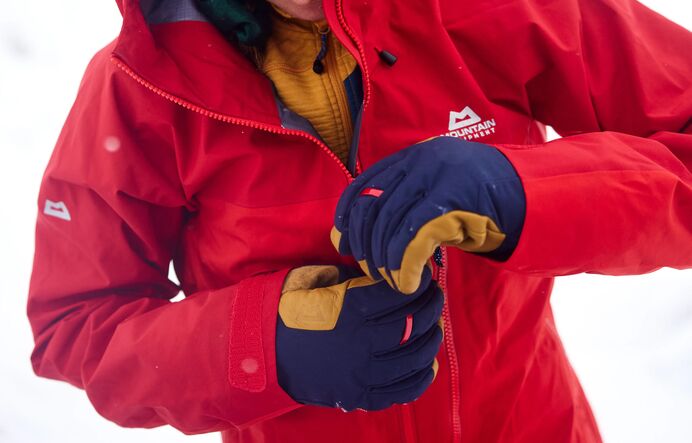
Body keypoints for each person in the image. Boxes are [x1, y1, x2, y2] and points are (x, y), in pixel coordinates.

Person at [27, 0, 691, 441]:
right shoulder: (140, 84)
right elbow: (77, 326)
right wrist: (262, 346)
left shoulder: (496, 8)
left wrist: (522, 191)